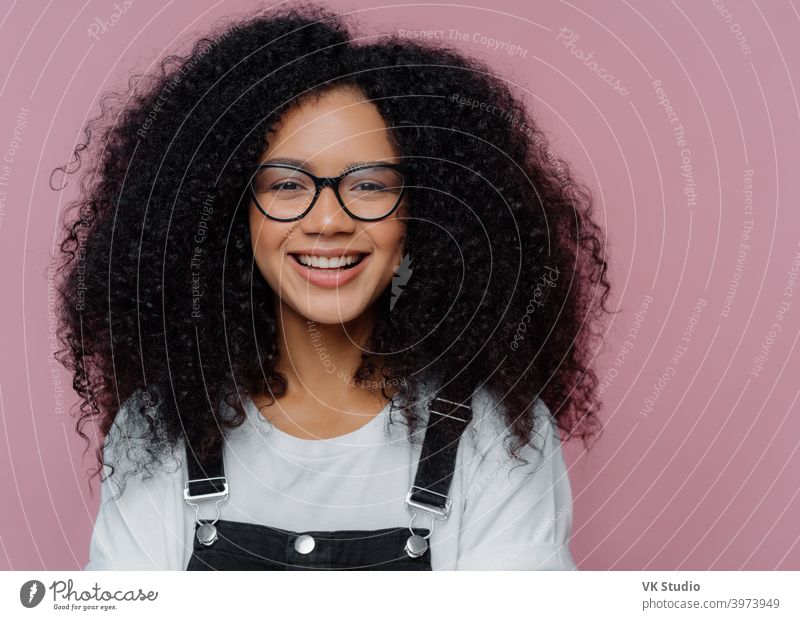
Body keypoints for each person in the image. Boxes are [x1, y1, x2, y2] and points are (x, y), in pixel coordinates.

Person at [53, 2, 610, 571]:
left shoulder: (499, 439)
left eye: (369, 185)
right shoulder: (161, 430)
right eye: (288, 184)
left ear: (422, 216)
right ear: (230, 213)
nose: (326, 221)